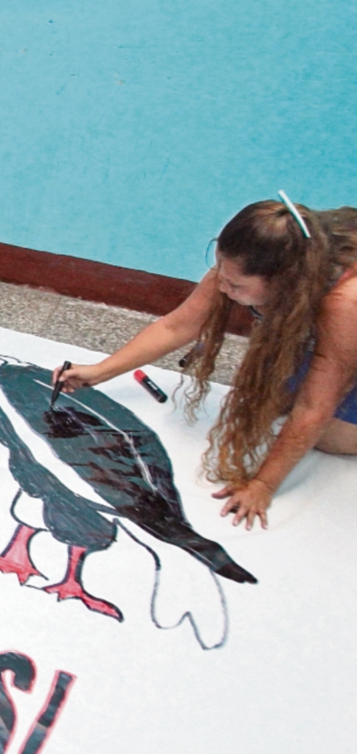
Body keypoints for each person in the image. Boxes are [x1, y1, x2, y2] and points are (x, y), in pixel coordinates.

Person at [55, 197, 357, 530]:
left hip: (348, 331)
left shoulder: (345, 302)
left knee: (325, 436)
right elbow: (178, 325)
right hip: (324, 330)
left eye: (236, 285)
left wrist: (263, 485)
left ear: (284, 282)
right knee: (274, 398)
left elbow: (315, 407)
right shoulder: (253, 259)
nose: (223, 288)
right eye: (221, 273)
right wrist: (100, 371)